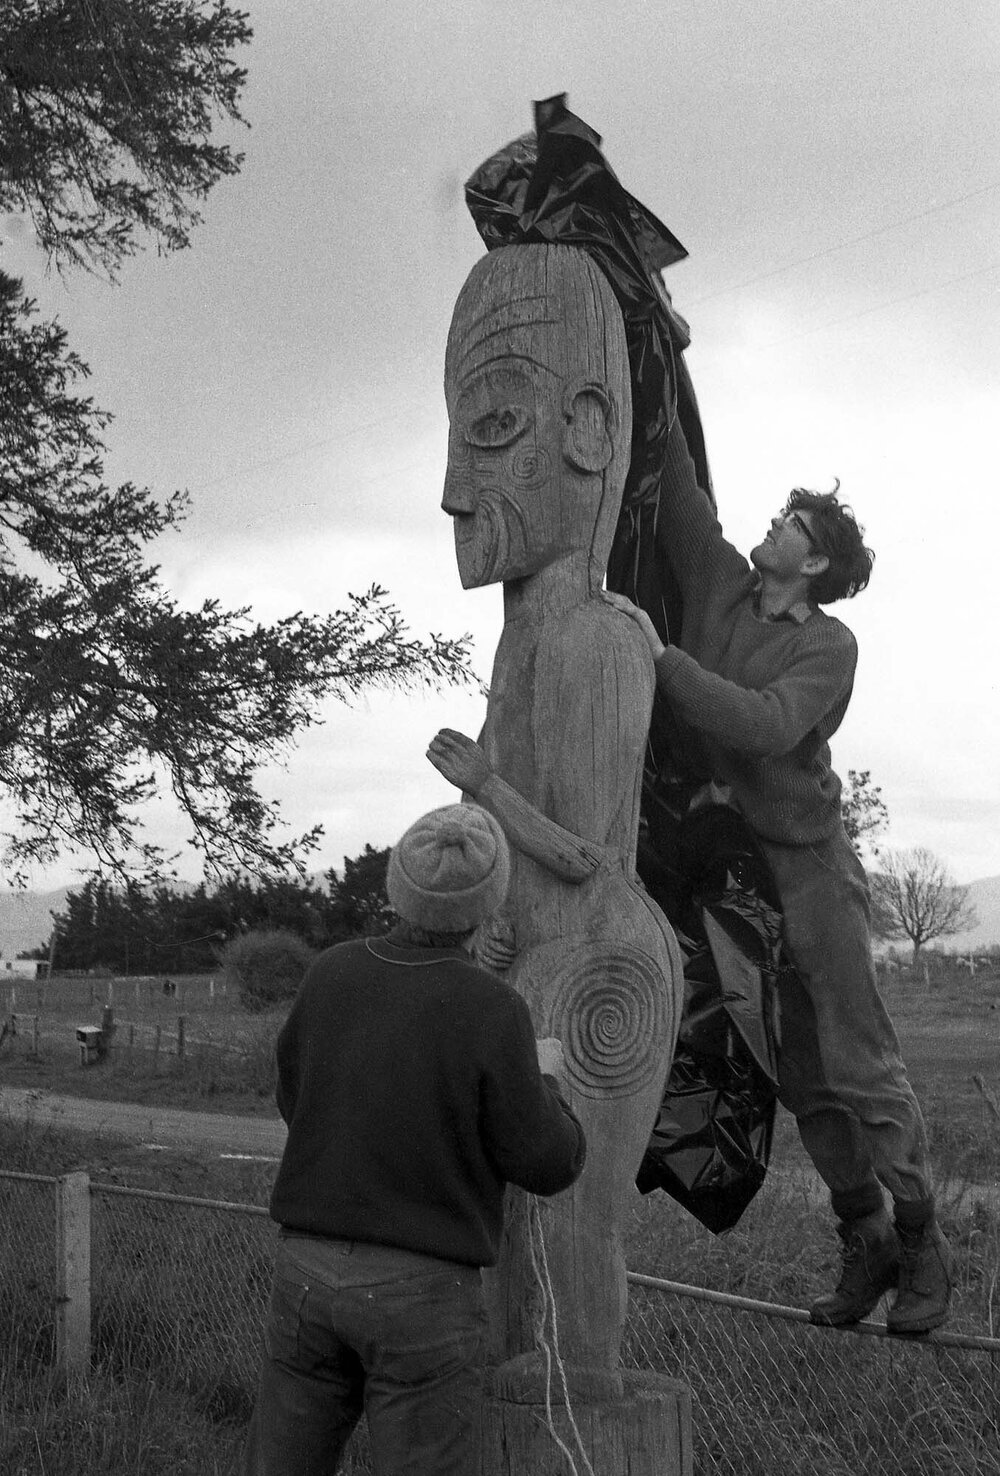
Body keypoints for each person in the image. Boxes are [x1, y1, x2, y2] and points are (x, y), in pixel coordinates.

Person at [604, 415, 952, 1335]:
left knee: (860, 1062)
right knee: (800, 1072)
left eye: (795, 523)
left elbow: (763, 726)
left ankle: (922, 1241)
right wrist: (659, 343)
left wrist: (661, 657)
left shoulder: (826, 647)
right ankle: (866, 1237)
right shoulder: (721, 581)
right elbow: (678, 487)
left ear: (817, 566)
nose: (777, 525)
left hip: (810, 868)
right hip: (739, 873)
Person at [242, 802, 586, 1476]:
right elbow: (546, 1160)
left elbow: (295, 1098)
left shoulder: (331, 972)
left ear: (399, 886)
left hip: (308, 1273)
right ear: (490, 902)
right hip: (423, 1295)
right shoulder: (493, 1008)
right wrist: (545, 1081)